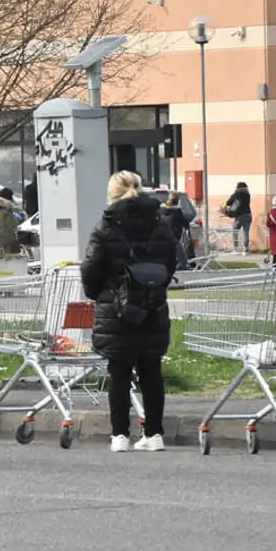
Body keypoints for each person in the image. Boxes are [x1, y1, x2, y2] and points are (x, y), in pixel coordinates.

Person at [80, 171, 177, 452]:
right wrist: (155, 286)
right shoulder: (160, 224)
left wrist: (99, 293)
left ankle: (119, 435)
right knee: (151, 370)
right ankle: (154, 434)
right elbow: (171, 260)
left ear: (112, 193)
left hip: (117, 307)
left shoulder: (107, 226)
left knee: (119, 372)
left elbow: (91, 266)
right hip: (153, 304)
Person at [0, 188, 21, 255]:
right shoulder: (7, 211)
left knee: (3, 255)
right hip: (8, 237)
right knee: (12, 257)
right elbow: (12, 224)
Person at [161, 192, 190, 270]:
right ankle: (184, 264)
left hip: (162, 235)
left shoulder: (162, 211)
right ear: (178, 201)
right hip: (173, 236)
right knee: (178, 247)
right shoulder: (178, 213)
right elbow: (186, 223)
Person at [224, 181, 252, 253]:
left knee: (235, 231)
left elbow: (228, 202)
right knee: (246, 232)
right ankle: (246, 248)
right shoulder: (248, 195)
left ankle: (236, 247)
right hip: (248, 215)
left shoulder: (236, 195)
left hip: (240, 216)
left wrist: (227, 210)